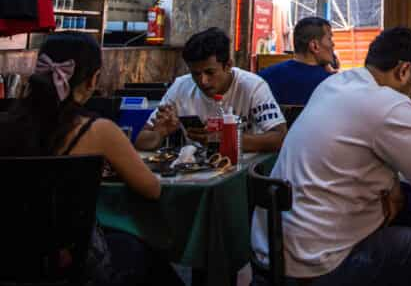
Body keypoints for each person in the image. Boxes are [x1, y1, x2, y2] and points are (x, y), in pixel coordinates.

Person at [251, 27, 411, 285]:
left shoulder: (335, 83)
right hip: (316, 266)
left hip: (272, 252)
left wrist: (393, 183)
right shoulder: (388, 104)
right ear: (404, 70)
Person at [0, 34, 180, 285]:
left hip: (8, 258)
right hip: (73, 264)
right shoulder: (98, 130)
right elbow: (152, 189)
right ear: (93, 79)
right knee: (146, 255)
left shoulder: (7, 125)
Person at [135, 28, 286, 152]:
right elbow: (139, 140)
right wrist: (159, 134)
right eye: (195, 73)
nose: (203, 81)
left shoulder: (253, 86)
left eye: (210, 72)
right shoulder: (180, 87)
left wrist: (225, 139)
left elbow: (280, 138)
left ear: (228, 65)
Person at [258, 16, 337, 106]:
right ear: (314, 46)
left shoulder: (265, 77)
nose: (333, 44)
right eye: (329, 39)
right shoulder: (332, 85)